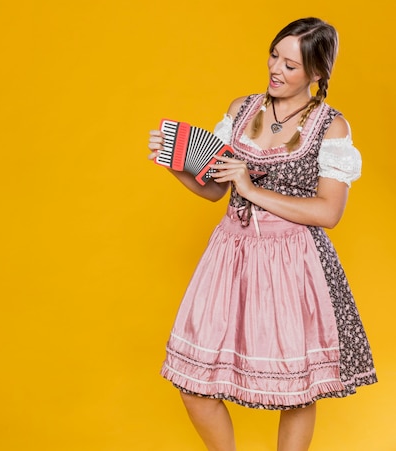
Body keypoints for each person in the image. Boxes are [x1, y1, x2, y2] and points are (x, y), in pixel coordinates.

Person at [147, 17, 377, 451]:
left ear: (317, 73)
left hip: (294, 258)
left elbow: (328, 212)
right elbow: (215, 189)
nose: (276, 69)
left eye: (291, 65)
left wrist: (252, 189)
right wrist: (174, 162)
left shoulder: (332, 127)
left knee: (298, 388)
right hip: (231, 252)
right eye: (275, 55)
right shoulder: (241, 110)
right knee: (194, 382)